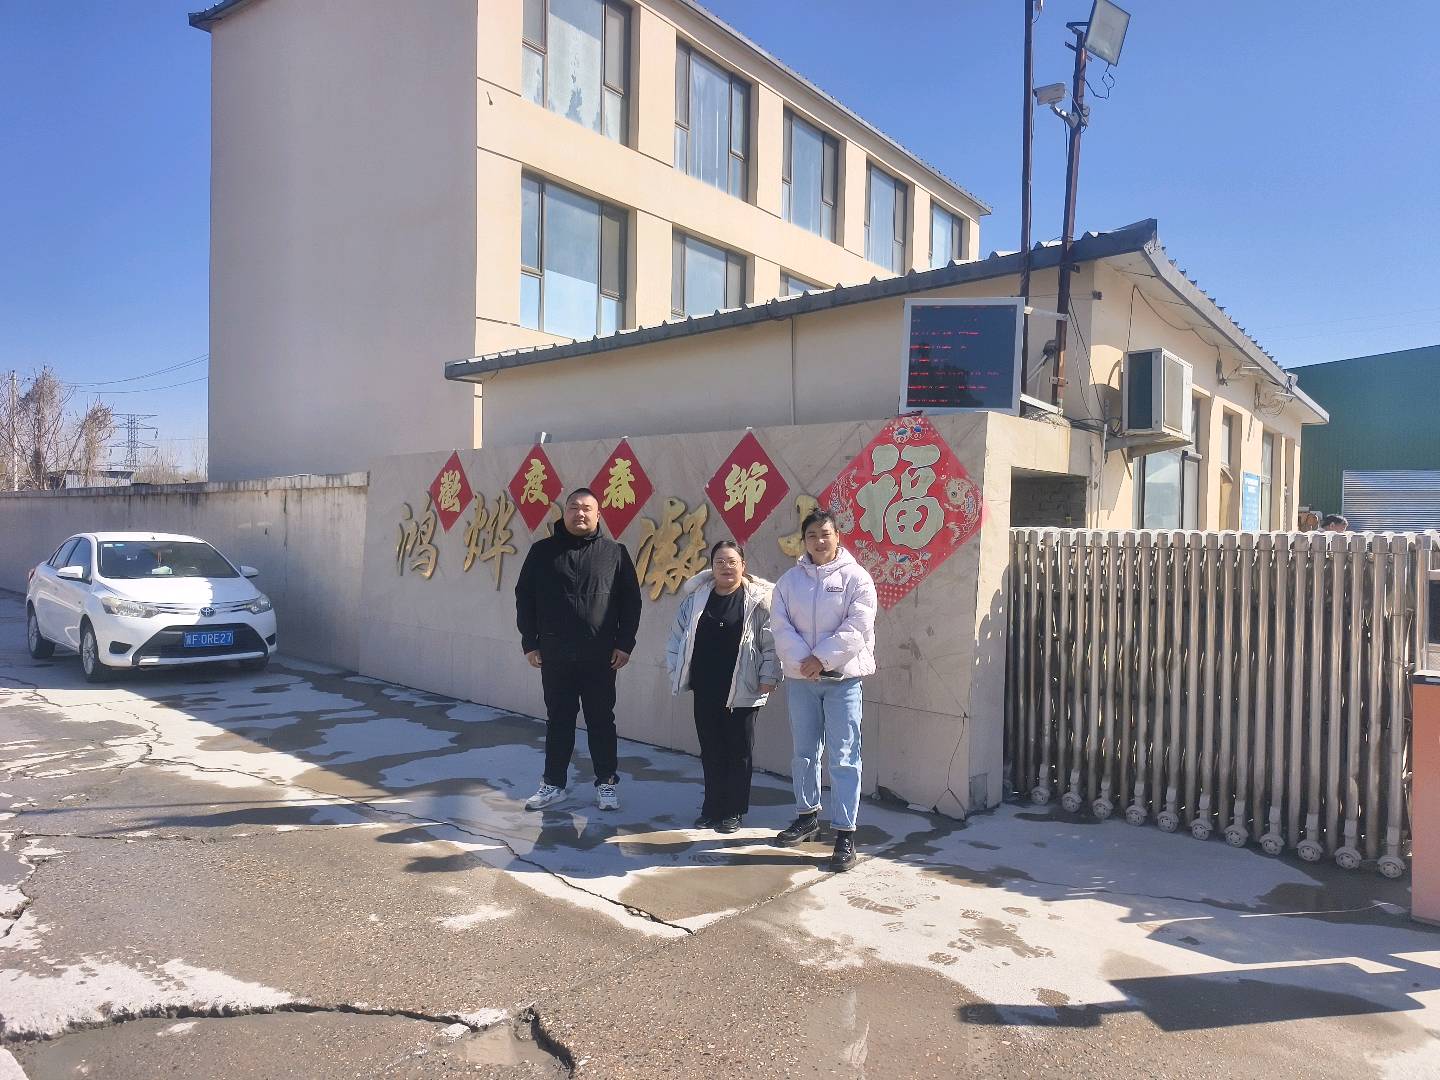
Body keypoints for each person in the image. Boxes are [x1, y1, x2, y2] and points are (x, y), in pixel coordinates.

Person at [514, 488, 642, 812]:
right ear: (564, 512)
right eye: (573, 507)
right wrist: (530, 642)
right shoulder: (542, 552)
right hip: (555, 653)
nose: (580, 514)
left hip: (601, 656)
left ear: (598, 514)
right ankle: (553, 784)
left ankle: (606, 783)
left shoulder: (614, 553)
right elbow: (524, 597)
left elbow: (631, 602)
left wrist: (624, 643)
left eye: (587, 508)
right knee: (559, 719)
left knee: (601, 720)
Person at [769, 509, 877, 872]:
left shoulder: (856, 578)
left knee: (844, 757)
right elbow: (780, 625)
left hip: (842, 681)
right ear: (804, 541)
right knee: (804, 752)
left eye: (825, 534)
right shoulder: (788, 582)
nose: (819, 541)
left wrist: (822, 658)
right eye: (812, 535)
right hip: (802, 680)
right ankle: (807, 816)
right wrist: (805, 662)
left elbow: (858, 625)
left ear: (837, 537)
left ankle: (845, 832)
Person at [665, 540, 780, 834]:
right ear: (712, 567)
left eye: (732, 562)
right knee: (711, 748)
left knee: (738, 750)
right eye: (719, 562)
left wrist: (769, 675)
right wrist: (675, 670)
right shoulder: (696, 599)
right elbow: (677, 637)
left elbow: (771, 643)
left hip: (744, 687)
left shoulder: (758, 601)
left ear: (743, 566)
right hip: (705, 686)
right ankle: (712, 807)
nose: (726, 567)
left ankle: (733, 811)